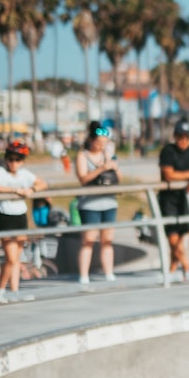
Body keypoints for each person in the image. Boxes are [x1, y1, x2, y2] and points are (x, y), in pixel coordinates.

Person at [0, 141, 47, 300]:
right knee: (11, 258)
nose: (14, 163)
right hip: (6, 218)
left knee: (17, 259)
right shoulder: (0, 172)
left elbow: (43, 183)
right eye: (11, 159)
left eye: (18, 160)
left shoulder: (24, 174)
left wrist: (31, 189)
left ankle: (14, 291)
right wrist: (15, 190)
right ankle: (0, 289)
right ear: (6, 159)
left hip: (21, 217)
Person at [158, 118, 189, 280]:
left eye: (186, 137)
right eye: (180, 136)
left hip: (186, 200)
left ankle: (172, 269)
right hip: (169, 200)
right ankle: (186, 264)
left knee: (180, 240)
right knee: (172, 239)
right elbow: (169, 175)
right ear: (175, 136)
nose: (183, 140)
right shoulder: (168, 151)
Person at [75, 121, 121, 285]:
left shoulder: (107, 155)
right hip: (90, 205)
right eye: (99, 142)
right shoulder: (83, 155)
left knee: (107, 240)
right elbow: (83, 179)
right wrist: (101, 169)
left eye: (104, 143)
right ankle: (84, 276)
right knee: (88, 240)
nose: (101, 145)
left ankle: (109, 273)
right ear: (91, 140)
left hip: (109, 202)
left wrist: (113, 166)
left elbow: (119, 179)